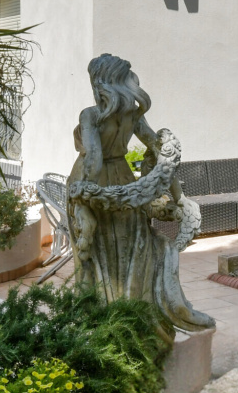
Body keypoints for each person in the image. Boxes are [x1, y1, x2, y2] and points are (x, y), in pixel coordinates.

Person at [67, 54, 213, 330]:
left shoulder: (91, 115)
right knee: (134, 244)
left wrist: (84, 196)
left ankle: (105, 316)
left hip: (93, 182)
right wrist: (179, 195)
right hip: (122, 178)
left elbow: (93, 160)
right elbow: (160, 153)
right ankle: (132, 309)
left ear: (100, 81)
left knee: (100, 252)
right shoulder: (132, 116)